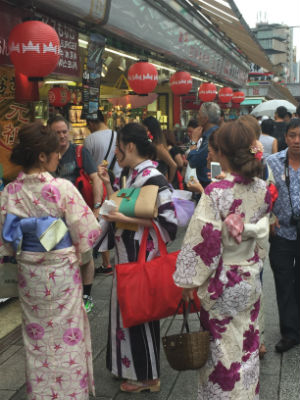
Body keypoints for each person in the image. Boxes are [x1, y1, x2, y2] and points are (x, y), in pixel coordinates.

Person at [0, 122, 101, 399]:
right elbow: (86, 234)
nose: (59, 155)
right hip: (62, 275)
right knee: (68, 333)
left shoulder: (9, 193)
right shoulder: (62, 188)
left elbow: (6, 245)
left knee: (37, 337)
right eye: (55, 151)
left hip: (30, 276)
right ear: (43, 157)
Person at [174, 119, 271, 399]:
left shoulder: (216, 193)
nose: (211, 153)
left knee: (221, 352)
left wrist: (188, 281)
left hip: (223, 282)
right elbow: (261, 235)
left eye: (215, 149)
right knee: (247, 346)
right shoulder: (262, 188)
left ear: (225, 153)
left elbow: (203, 242)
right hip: (249, 276)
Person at [98, 123, 177, 393]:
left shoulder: (152, 177)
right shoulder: (133, 174)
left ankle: (147, 376)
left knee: (139, 313)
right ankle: (131, 368)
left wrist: (122, 219)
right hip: (128, 255)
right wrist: (109, 184)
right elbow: (127, 207)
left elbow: (169, 223)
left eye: (119, 145)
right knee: (130, 311)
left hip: (140, 256)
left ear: (129, 146)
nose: (116, 151)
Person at [48, 115, 102, 312]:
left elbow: (95, 178)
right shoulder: (45, 154)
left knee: (85, 256)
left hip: (78, 216)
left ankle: (86, 296)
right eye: (58, 132)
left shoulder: (79, 151)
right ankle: (64, 294)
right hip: (52, 220)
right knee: (57, 255)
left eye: (65, 132)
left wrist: (96, 207)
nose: (63, 136)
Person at [267, 118, 300, 353]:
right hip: (281, 232)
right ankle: (289, 333)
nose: (297, 141)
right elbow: (260, 193)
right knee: (283, 283)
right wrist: (268, 216)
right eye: (292, 135)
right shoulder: (271, 163)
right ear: (285, 137)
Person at [84, 110, 122, 275]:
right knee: (115, 220)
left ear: (91, 123)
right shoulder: (117, 135)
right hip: (117, 184)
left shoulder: (90, 139)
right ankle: (116, 258)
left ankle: (106, 262)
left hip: (100, 185)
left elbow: (88, 166)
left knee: (101, 221)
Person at [187, 102, 221, 188]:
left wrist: (194, 141)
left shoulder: (211, 137)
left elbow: (193, 161)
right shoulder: (215, 133)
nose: (197, 117)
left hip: (209, 185)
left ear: (205, 119)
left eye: (199, 114)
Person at [143, 116, 177, 183]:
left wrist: (169, 182)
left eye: (145, 130)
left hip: (159, 184)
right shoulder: (150, 145)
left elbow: (173, 165)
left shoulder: (158, 147)